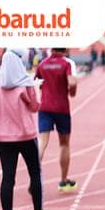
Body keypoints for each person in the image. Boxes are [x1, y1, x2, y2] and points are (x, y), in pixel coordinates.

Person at [0, 49, 58, 210]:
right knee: (34, 173)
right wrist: (35, 87)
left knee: (7, 177)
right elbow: (35, 106)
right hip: (26, 135)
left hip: (3, 137)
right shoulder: (25, 82)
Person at [35, 48, 78, 193]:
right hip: (61, 108)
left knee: (42, 141)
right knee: (64, 144)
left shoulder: (42, 64)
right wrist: (72, 92)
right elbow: (72, 83)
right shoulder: (67, 63)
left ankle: (34, 180)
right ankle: (64, 181)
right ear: (65, 48)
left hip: (45, 106)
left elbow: (36, 83)